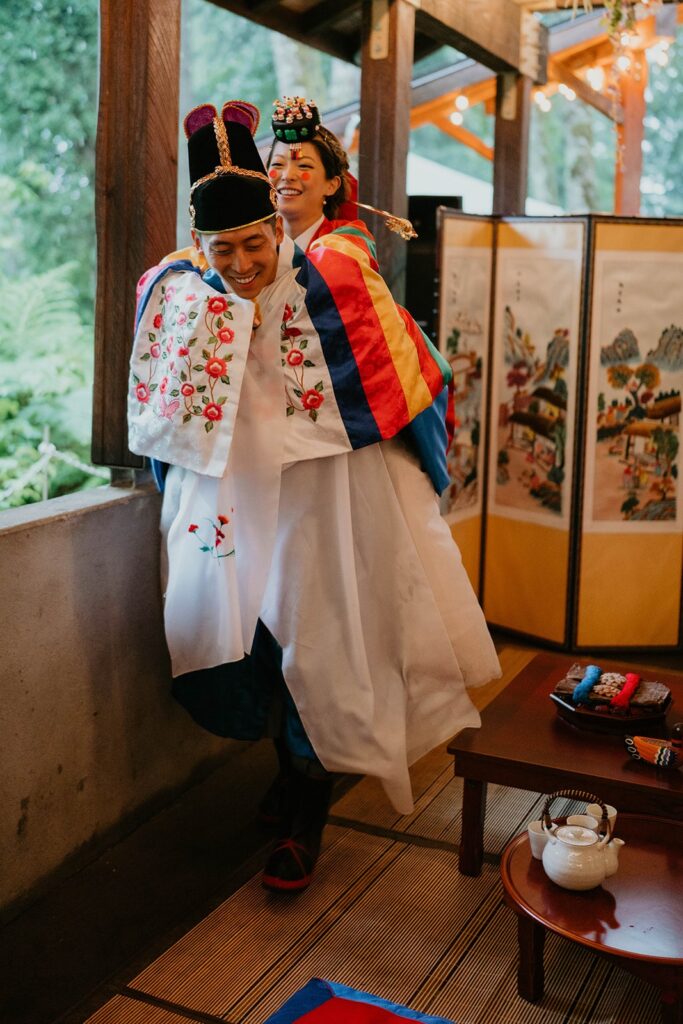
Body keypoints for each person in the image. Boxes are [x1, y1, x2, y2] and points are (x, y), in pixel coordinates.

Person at [129, 99, 500, 894]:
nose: (241, 264)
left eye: (256, 244)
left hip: (319, 492)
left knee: (318, 636)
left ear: (281, 228)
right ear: (200, 244)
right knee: (251, 640)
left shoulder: (328, 276)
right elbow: (159, 370)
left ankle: (306, 808)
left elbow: (384, 367)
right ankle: (289, 776)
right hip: (232, 494)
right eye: (222, 249)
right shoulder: (183, 285)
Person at [268, 95, 415, 251]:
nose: (288, 175)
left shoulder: (346, 247)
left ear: (332, 185)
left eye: (304, 166)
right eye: (277, 164)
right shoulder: (253, 241)